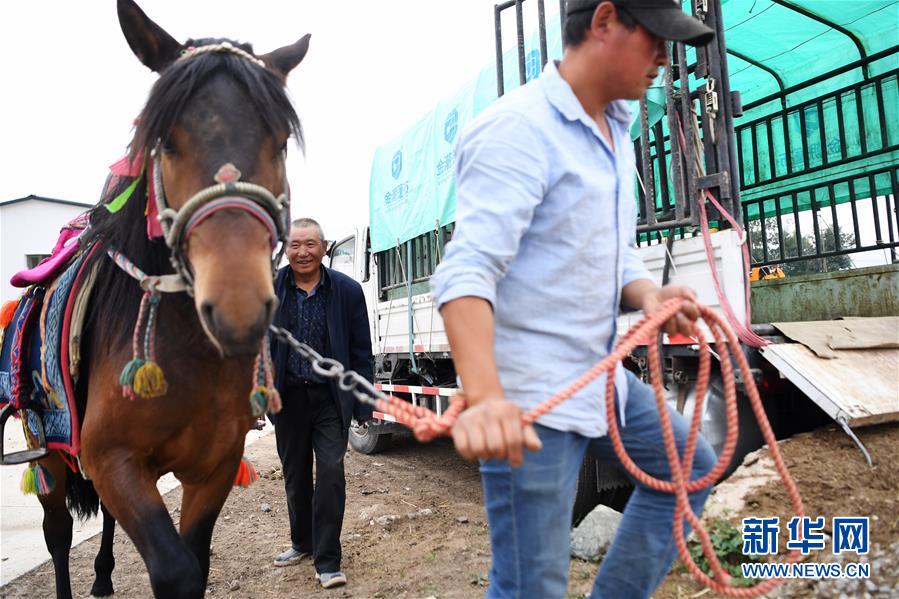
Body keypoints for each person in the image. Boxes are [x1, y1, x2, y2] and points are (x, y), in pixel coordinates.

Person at [430, 2, 719, 597]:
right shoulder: (518, 129)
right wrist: (485, 399)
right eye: (657, 38)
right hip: (532, 400)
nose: (666, 57)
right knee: (531, 585)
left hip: (598, 378)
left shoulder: (616, 130)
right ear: (605, 21)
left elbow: (611, 259)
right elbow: (466, 273)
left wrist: (651, 294)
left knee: (690, 465)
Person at [268, 217, 374, 590]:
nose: (303, 252)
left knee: (330, 474)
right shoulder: (269, 290)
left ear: (324, 248)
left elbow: (362, 351)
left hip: (331, 399)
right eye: (295, 245)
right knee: (295, 475)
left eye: (311, 244)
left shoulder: (345, 291)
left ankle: (328, 559)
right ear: (285, 249)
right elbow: (255, 348)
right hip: (288, 398)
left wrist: (363, 404)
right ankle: (302, 542)